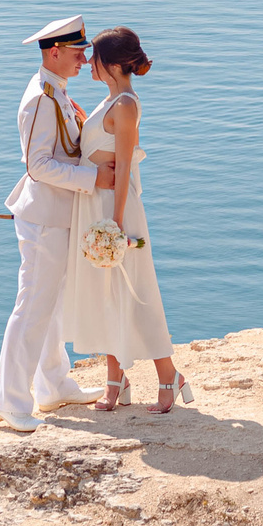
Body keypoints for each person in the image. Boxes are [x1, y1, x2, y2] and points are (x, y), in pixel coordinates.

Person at [0, 14, 116, 432]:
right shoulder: (41, 99)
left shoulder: (56, 91)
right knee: (32, 309)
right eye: (78, 52)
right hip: (43, 219)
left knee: (53, 306)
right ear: (55, 52)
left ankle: (53, 385)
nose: (84, 60)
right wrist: (93, 178)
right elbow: (38, 166)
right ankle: (9, 400)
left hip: (58, 216)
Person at [66, 27, 190, 413]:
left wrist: (115, 224)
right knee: (105, 292)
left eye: (96, 58)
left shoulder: (125, 105)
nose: (89, 63)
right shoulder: (109, 101)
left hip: (114, 209)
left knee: (135, 291)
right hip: (96, 205)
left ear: (115, 64)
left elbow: (123, 168)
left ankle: (169, 376)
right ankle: (115, 378)